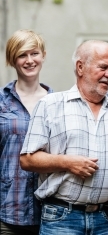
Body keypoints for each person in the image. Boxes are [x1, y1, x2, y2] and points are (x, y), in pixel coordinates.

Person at [19, 40, 108, 235]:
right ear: (81, 67)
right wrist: (68, 163)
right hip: (61, 218)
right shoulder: (50, 105)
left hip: (107, 218)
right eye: (103, 67)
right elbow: (27, 159)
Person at [0, 29, 53, 235]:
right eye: (22, 55)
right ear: (13, 60)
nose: (29, 60)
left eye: (34, 53)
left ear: (43, 55)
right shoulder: (2, 103)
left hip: (50, 213)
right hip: (7, 210)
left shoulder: (56, 103)